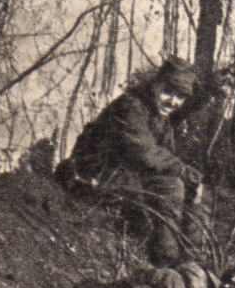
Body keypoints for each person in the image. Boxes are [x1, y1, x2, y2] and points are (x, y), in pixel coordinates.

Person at [64, 56, 207, 266]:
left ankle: (193, 263)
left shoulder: (159, 116)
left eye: (180, 96)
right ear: (156, 85)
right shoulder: (133, 106)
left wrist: (191, 180)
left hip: (126, 175)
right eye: (168, 92)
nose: (173, 101)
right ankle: (166, 263)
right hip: (97, 172)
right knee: (172, 187)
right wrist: (186, 173)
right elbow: (144, 153)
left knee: (193, 191)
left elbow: (163, 158)